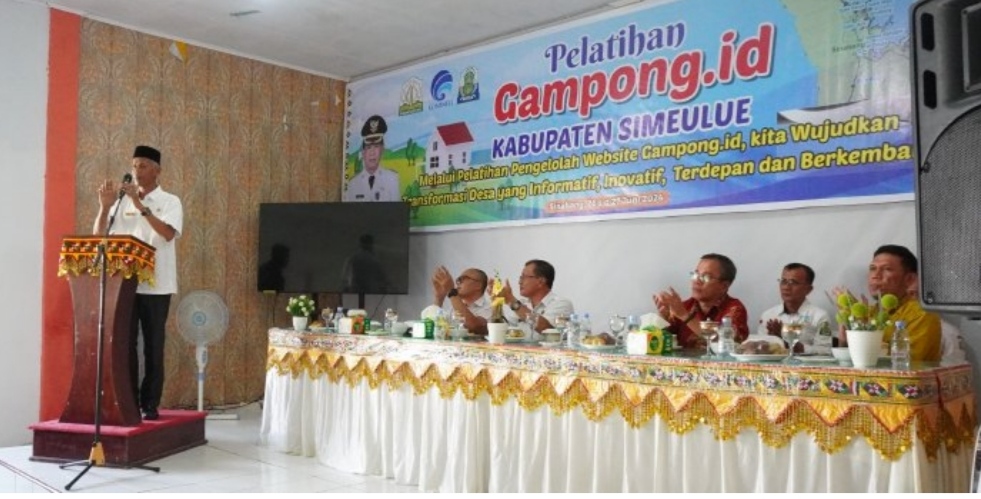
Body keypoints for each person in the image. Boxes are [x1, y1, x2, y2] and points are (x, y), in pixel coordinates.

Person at [93, 145, 183, 421]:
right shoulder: (120, 202)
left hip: (157, 286)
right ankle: (129, 400)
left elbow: (167, 234)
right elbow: (99, 237)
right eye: (134, 166)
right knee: (125, 344)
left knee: (153, 345)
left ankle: (150, 403)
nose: (136, 171)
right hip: (124, 285)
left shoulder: (170, 201)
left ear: (157, 170)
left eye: (143, 166)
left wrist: (140, 206)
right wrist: (104, 207)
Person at [845, 244, 941, 362]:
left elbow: (903, 363)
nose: (876, 275)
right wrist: (849, 324)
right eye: (873, 268)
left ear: (909, 279)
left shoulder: (922, 313)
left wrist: (864, 335)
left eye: (887, 269)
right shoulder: (870, 313)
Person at [654, 253, 750, 348]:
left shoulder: (735, 309)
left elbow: (726, 343)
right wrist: (663, 318)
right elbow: (665, 343)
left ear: (724, 286)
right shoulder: (685, 306)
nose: (696, 280)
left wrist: (685, 316)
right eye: (696, 274)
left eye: (706, 277)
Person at [758, 263, 832, 354]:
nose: (786, 287)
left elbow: (825, 351)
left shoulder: (820, 316)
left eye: (793, 282)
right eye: (783, 281)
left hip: (805, 363)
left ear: (808, 289)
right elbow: (759, 349)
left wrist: (788, 341)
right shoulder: (768, 315)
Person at [494, 259, 574, 334]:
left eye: (524, 277)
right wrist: (496, 304)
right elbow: (501, 330)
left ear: (541, 281)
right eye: (520, 277)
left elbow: (547, 330)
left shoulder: (562, 304)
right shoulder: (522, 304)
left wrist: (512, 301)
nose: (520, 282)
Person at [343, 115, 401, 202]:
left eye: (376, 146)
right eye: (369, 147)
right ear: (363, 152)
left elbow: (396, 210)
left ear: (382, 150)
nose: (372, 153)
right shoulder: (353, 184)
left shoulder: (392, 179)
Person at [431, 266, 492, 336]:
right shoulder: (453, 309)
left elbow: (473, 326)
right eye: (458, 280)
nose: (458, 282)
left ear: (478, 285)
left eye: (463, 278)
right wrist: (439, 298)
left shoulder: (490, 308)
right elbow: (433, 327)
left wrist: (451, 291)